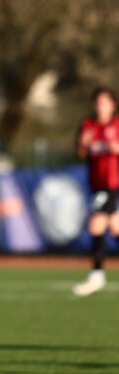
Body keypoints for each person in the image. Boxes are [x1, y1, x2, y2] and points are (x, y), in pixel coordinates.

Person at [73, 87, 119, 296]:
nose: (100, 106)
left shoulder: (117, 124)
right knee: (116, 227)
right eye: (97, 103)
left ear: (112, 105)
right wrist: (83, 145)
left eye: (104, 102)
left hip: (113, 183)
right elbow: (80, 154)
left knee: (96, 225)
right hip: (97, 184)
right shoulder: (88, 126)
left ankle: (97, 275)